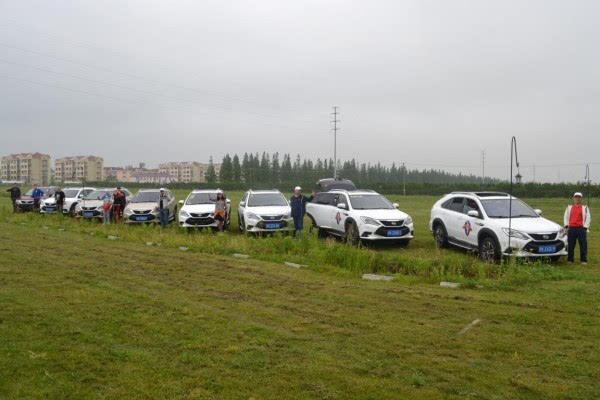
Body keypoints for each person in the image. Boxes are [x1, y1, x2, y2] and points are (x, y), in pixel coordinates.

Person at [564, 192, 591, 265]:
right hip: (571, 229)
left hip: (581, 229)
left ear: (581, 199)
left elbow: (588, 218)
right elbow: (566, 217)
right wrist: (566, 226)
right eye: (576, 197)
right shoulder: (569, 207)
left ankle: (583, 260)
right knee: (571, 245)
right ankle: (570, 259)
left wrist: (585, 228)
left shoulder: (585, 208)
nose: (577, 199)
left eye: (579, 197)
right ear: (573, 198)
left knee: (583, 245)